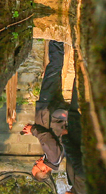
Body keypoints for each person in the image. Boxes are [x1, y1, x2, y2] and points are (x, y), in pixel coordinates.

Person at [22, 40, 70, 178]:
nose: (36, 161)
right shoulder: (53, 158)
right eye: (36, 165)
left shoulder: (55, 158)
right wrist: (33, 130)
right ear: (44, 170)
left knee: (54, 72)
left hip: (54, 111)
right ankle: (56, 39)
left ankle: (57, 42)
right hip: (49, 109)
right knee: (53, 70)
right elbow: (47, 137)